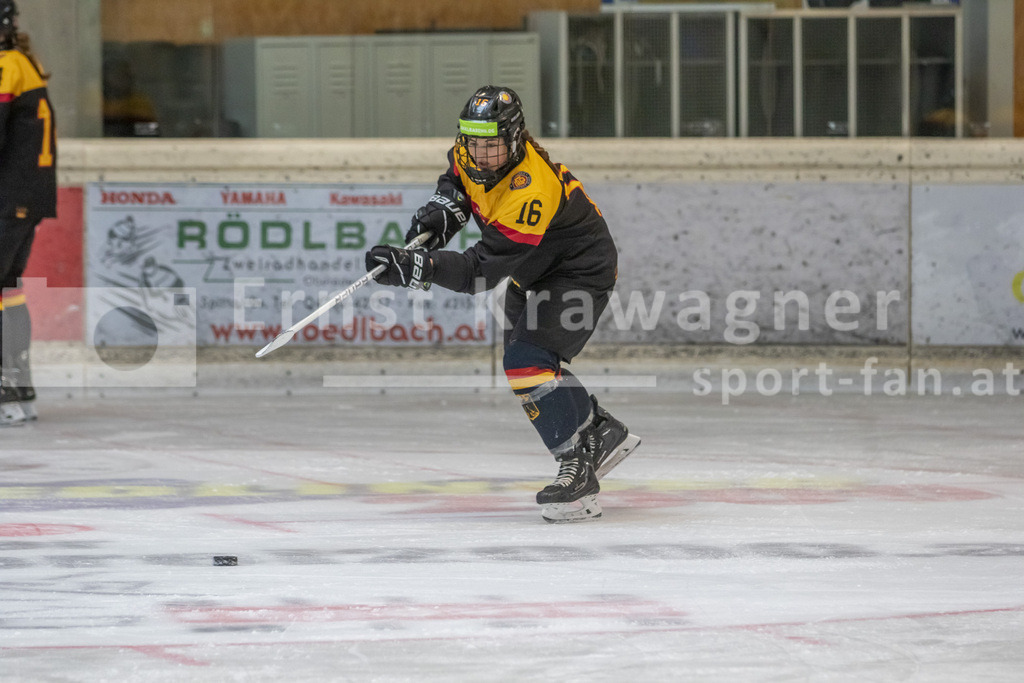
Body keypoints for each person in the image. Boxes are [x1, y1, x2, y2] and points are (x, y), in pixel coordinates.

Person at [365, 85, 640, 523]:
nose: (482, 154)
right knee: (530, 365)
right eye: (474, 142)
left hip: (579, 273)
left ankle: (578, 469)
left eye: (492, 144)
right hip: (530, 269)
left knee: (527, 361)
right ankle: (599, 430)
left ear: (516, 138)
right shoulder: (468, 155)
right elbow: (456, 183)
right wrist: (440, 215)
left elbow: (478, 272)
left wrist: (420, 266)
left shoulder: (532, 189)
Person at [0, 0, 56, 426]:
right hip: (25, 200)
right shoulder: (23, 61)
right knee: (9, 291)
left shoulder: (6, 65)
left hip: (7, 200)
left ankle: (8, 396)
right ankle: (20, 396)